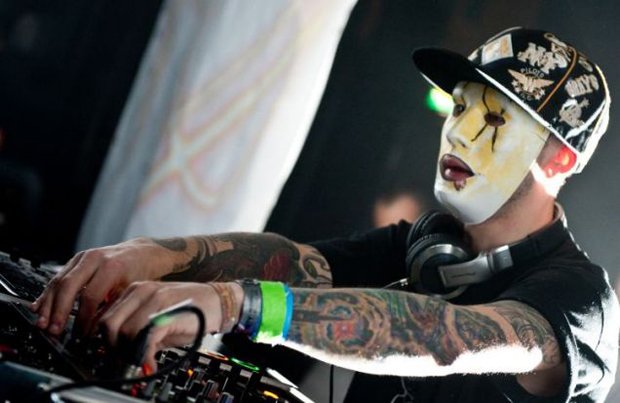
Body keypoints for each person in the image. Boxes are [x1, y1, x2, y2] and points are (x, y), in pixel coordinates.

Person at [31, 27, 619, 402]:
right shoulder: (429, 245)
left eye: (492, 119)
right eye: (458, 108)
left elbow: (448, 339)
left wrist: (238, 305)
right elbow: (298, 261)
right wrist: (151, 256)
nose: (458, 132)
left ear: (559, 158)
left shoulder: (580, 300)